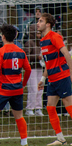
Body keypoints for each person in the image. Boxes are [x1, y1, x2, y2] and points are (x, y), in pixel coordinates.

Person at [0, 24, 31, 146]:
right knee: (19, 116)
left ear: (3, 37)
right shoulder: (21, 52)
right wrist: (23, 84)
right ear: (14, 37)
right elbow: (28, 70)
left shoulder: (0, 52)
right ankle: (24, 141)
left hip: (4, 89)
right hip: (17, 89)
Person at [37, 13, 72, 145]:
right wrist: (43, 78)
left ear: (48, 24)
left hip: (62, 77)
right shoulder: (42, 40)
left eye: (40, 21)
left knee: (69, 107)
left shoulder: (55, 37)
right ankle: (61, 139)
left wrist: (71, 73)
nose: (38, 23)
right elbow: (48, 63)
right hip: (52, 79)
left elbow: (67, 55)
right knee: (50, 107)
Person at [24, 26, 44, 116]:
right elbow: (26, 56)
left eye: (40, 33)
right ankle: (29, 108)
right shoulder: (29, 43)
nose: (39, 35)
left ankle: (38, 108)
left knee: (40, 89)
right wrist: (37, 57)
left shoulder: (42, 43)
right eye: (37, 33)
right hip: (32, 69)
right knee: (33, 89)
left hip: (40, 68)